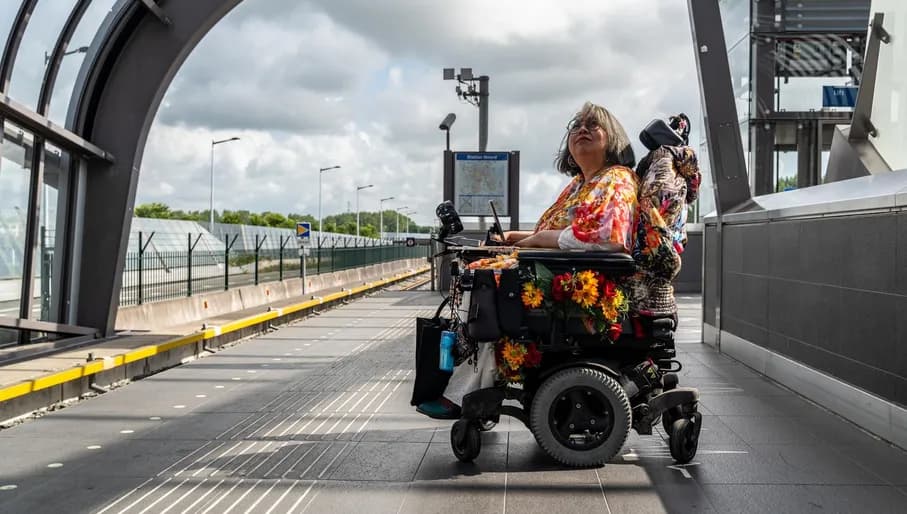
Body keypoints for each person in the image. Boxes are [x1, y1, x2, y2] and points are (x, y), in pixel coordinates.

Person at [417, 101, 640, 419]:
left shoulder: (615, 179)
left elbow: (606, 236)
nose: (582, 130)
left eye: (593, 125)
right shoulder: (580, 184)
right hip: (558, 266)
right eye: (576, 126)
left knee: (483, 283)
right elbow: (553, 232)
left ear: (613, 138)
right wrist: (513, 238)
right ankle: (465, 386)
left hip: (579, 278)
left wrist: (532, 241)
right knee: (477, 273)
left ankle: (464, 391)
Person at [631, 113, 701, 319]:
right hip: (666, 226)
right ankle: (655, 309)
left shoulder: (651, 160)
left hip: (648, 225)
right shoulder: (683, 157)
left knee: (647, 269)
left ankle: (644, 307)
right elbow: (692, 193)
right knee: (660, 268)